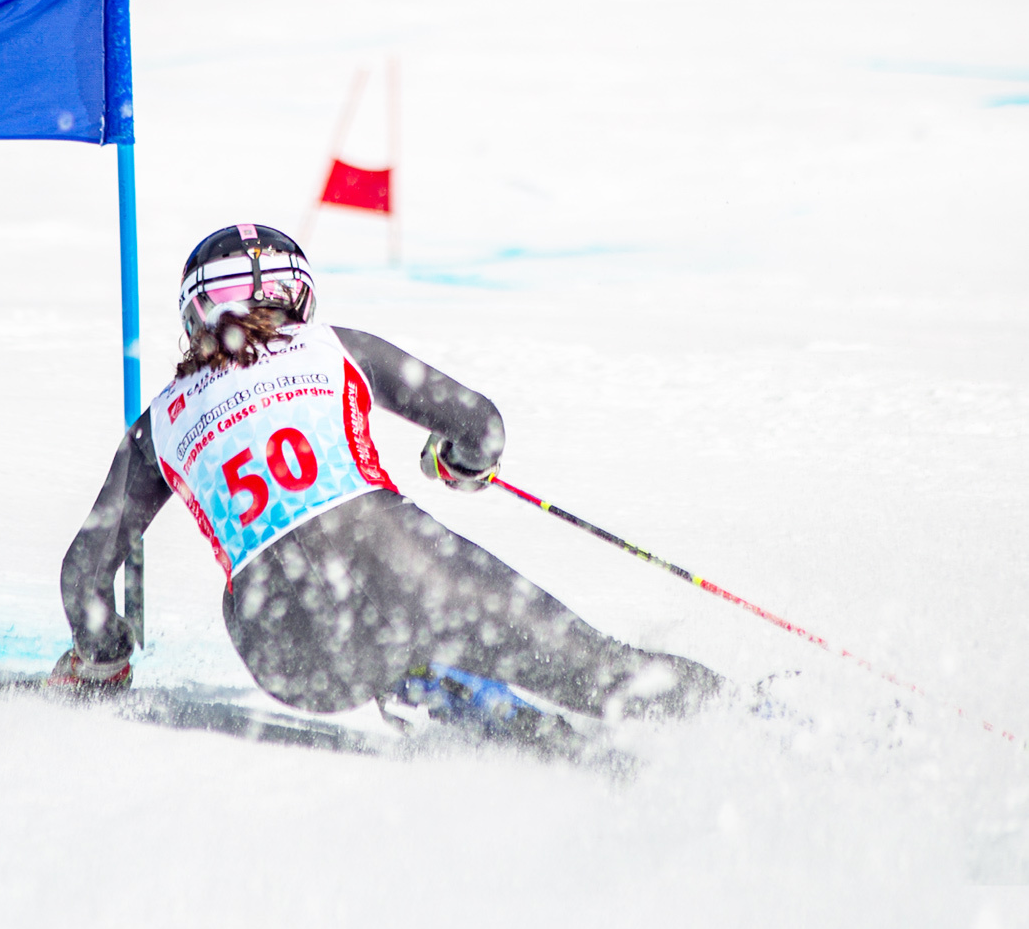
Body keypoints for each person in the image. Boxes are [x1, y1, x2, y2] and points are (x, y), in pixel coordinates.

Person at [56, 223, 718, 738]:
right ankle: (754, 723)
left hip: (283, 646)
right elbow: (481, 425)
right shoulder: (337, 346)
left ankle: (446, 694)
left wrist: (105, 660)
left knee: (393, 653)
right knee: (599, 670)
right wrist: (458, 465)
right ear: (300, 295)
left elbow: (84, 571)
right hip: (400, 560)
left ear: (196, 312)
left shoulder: (162, 421)